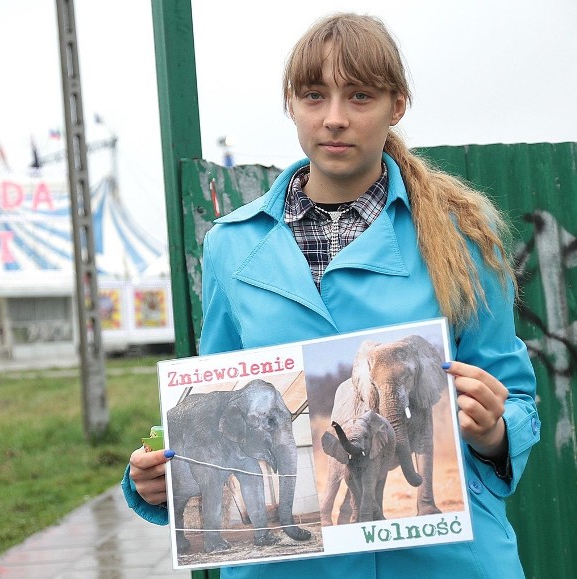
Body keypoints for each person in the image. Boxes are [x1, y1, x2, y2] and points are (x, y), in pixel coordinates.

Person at [123, 12, 540, 579]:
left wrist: (495, 431)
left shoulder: (461, 234)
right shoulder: (230, 247)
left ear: (397, 106)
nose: (335, 118)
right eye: (314, 96)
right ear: (292, 105)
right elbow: (211, 398)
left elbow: (516, 396)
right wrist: (155, 481)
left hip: (445, 564)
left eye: (360, 96)